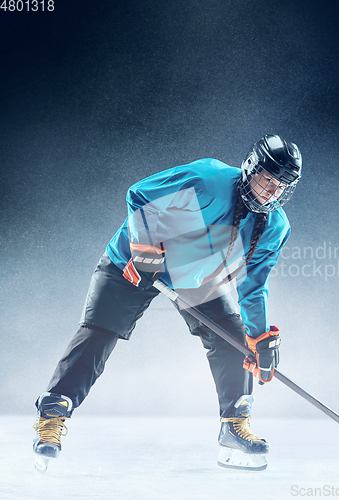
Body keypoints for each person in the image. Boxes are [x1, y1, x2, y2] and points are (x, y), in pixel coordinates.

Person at [33, 134, 302, 471]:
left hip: (193, 270)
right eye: (267, 179)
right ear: (251, 168)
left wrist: (259, 336)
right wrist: (145, 249)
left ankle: (234, 425)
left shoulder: (275, 226)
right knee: (100, 331)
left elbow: (254, 284)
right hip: (133, 263)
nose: (272, 191)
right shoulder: (208, 180)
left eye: (281, 186)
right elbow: (140, 193)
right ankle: (52, 415)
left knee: (233, 339)